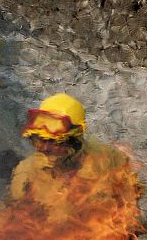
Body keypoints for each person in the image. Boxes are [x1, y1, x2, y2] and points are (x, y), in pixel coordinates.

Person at [9, 93, 139, 222]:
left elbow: (131, 201)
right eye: (41, 139)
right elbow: (13, 217)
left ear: (75, 139)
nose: (45, 148)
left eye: (56, 142)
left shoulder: (107, 161)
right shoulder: (26, 173)